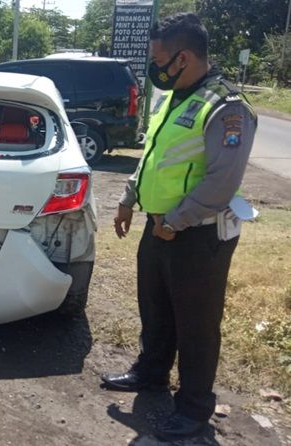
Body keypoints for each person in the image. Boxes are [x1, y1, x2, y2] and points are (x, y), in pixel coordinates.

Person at [101, 13, 257, 441]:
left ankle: (192, 409)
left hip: (198, 235)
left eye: (159, 59)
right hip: (159, 229)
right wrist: (128, 199)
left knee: (196, 324)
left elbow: (222, 180)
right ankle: (150, 374)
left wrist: (175, 221)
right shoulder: (172, 98)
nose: (155, 68)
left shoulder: (226, 109)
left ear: (183, 57)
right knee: (156, 309)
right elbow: (153, 156)